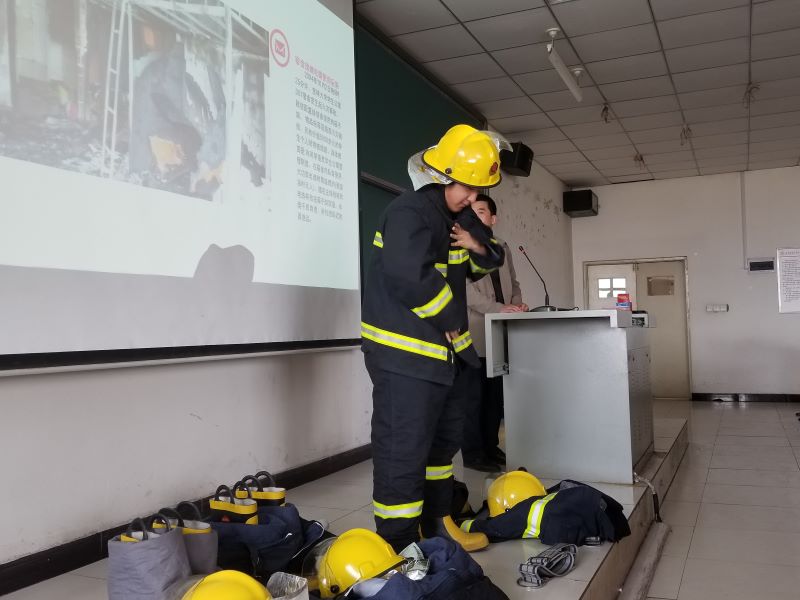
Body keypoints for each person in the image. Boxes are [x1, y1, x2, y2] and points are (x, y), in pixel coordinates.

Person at [361, 124, 508, 553]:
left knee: (441, 450)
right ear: (444, 174)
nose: (472, 197)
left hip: (443, 358)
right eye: (467, 186)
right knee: (403, 451)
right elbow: (409, 276)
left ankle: (437, 524)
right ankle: (399, 544)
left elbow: (491, 257)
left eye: (479, 189)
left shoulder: (456, 218)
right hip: (404, 355)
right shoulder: (409, 211)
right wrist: (450, 316)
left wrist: (476, 244)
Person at [462, 195, 527, 471]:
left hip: (500, 331)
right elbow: (467, 293)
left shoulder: (501, 247)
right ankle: (474, 454)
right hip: (474, 332)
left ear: (493, 218)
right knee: (473, 399)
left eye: (481, 212)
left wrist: (517, 304)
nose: (475, 218)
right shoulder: (462, 246)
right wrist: (501, 308)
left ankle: (490, 447)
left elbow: (513, 281)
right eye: (471, 213)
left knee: (493, 397)